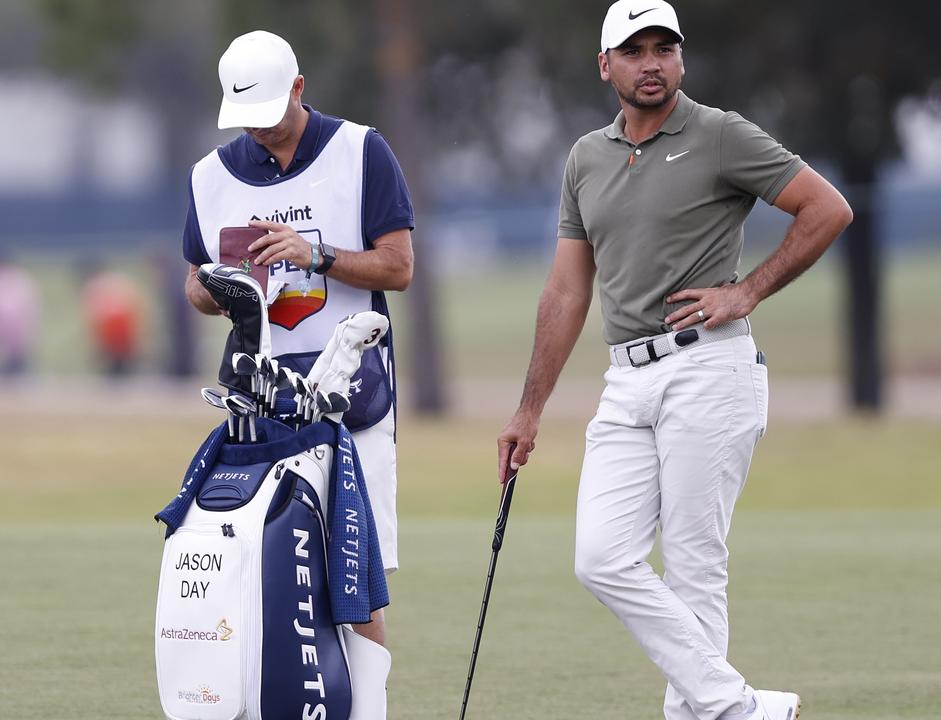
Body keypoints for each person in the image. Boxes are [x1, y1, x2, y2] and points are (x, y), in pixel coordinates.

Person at [497, 2, 853, 718]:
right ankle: (738, 705)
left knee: (694, 568)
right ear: (606, 66)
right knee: (600, 558)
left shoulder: (719, 134)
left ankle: (710, 711)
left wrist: (746, 291)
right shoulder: (585, 158)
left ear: (681, 59)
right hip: (625, 380)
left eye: (665, 48)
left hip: (710, 369)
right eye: (634, 51)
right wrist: (529, 410)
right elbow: (568, 291)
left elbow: (827, 209)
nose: (651, 62)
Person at [181, 30, 413, 719]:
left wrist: (316, 255)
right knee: (264, 567)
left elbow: (397, 267)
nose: (258, 127)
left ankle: (367, 711)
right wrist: (225, 283)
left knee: (356, 574)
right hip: (260, 404)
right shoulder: (210, 174)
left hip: (353, 396)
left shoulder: (361, 150)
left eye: (271, 110)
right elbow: (193, 284)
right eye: (245, 114)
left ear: (301, 89)